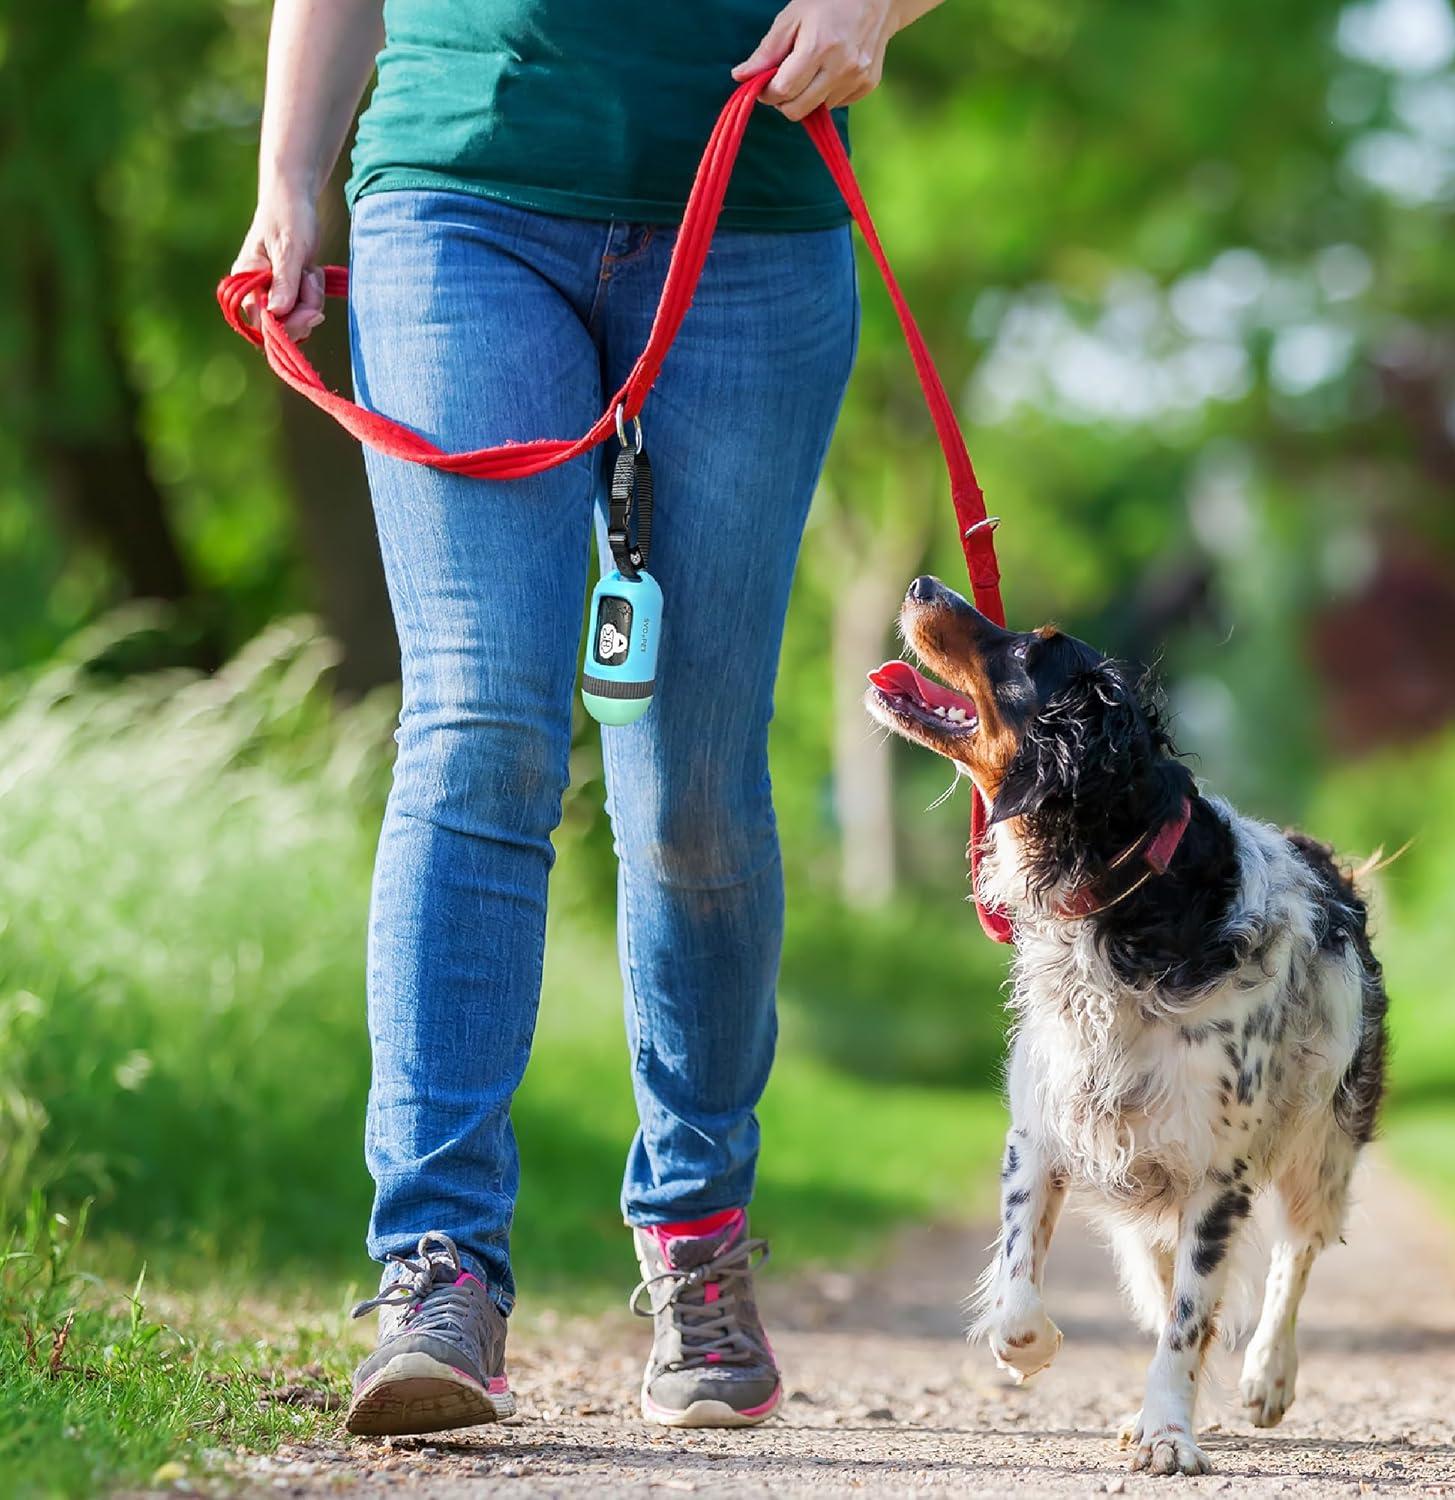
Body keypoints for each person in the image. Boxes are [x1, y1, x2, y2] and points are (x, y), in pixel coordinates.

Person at [232, 0, 944, 1438]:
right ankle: (436, 1266)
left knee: (692, 781)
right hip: (461, 187)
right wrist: (287, 182)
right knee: (479, 725)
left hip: (752, 205)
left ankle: (697, 1239)